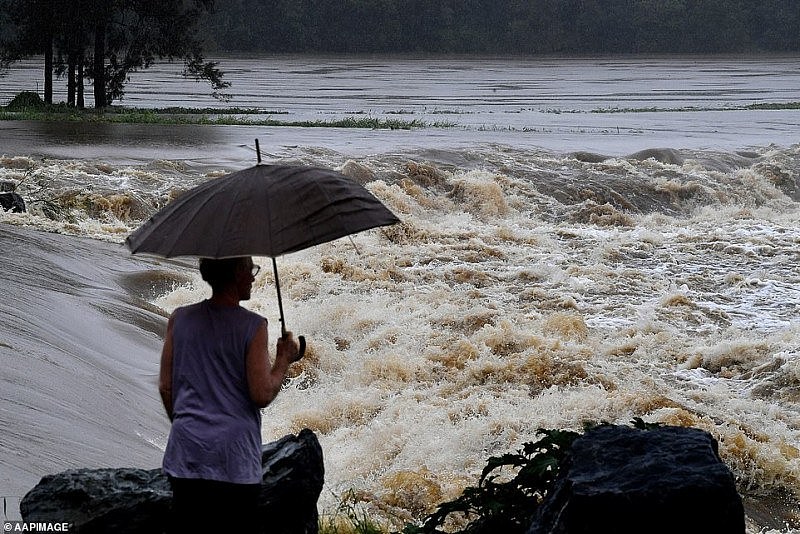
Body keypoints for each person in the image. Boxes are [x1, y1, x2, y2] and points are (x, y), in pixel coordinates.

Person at [158, 256, 302, 534]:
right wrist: (283, 360)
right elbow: (261, 393)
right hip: (233, 462)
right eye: (251, 269)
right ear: (237, 272)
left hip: (186, 454)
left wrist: (187, 425)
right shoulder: (253, 326)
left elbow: (166, 386)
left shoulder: (179, 319)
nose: (253, 276)